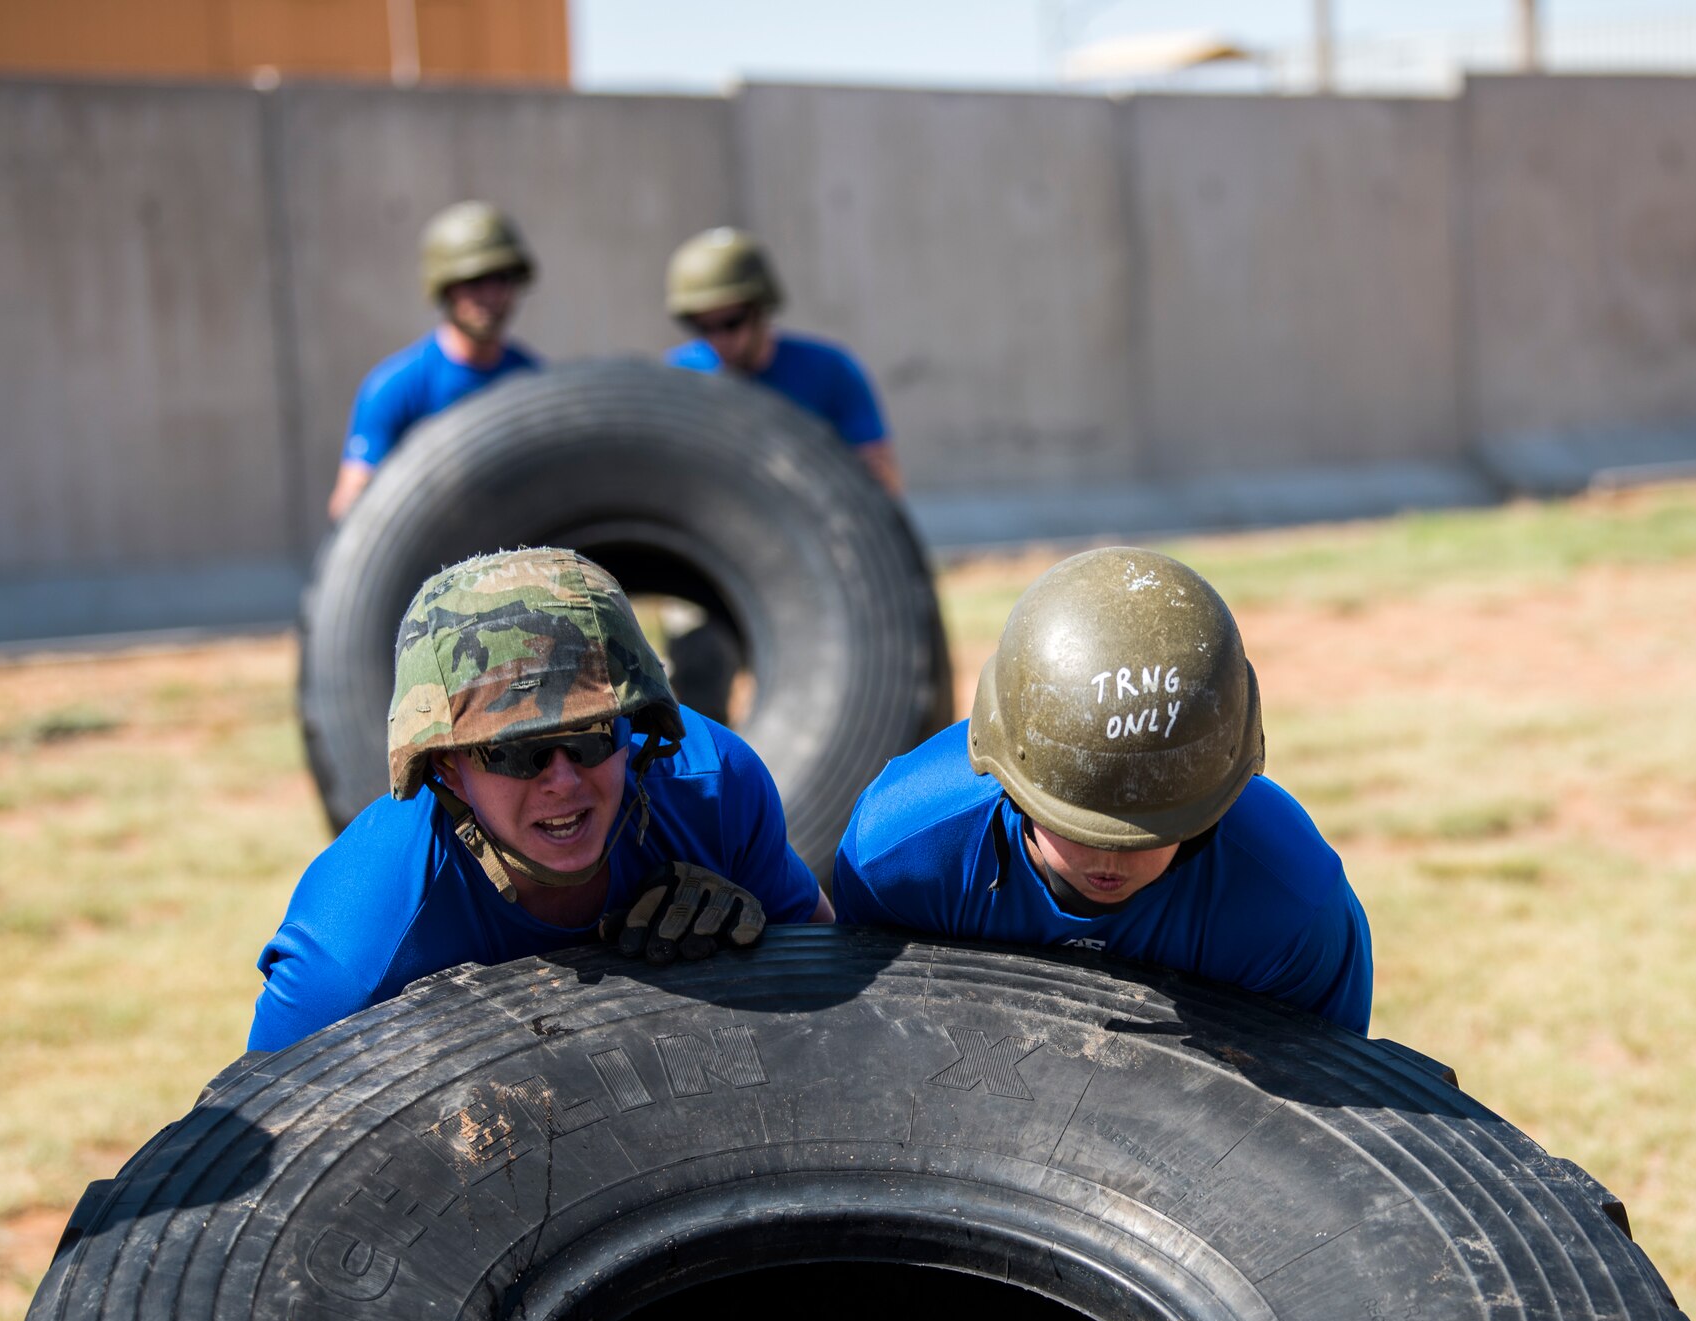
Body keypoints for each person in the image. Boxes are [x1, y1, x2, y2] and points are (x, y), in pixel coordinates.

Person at [249, 547, 834, 1052]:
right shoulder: (357, 950)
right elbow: (257, 1147)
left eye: (589, 734)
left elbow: (837, 982)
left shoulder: (713, 792)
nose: (562, 779)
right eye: (513, 752)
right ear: (448, 768)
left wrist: (758, 958)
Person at [831, 547, 1373, 1034]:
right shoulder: (899, 856)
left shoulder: (1290, 908)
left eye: (1149, 832)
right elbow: (872, 1045)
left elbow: (1321, 1107)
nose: (1110, 857)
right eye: (1076, 823)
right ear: (1010, 781)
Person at [326, 200, 541, 521]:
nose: (490, 296)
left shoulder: (530, 381)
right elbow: (348, 507)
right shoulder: (396, 387)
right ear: (446, 289)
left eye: (502, 279)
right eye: (474, 283)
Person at [663, 227, 903, 496]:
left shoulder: (830, 372)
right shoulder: (678, 381)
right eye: (702, 327)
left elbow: (881, 481)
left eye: (731, 323)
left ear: (759, 311)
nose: (718, 338)